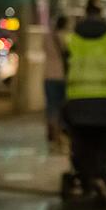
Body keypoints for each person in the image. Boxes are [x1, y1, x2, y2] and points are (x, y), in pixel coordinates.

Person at [63, 0, 106, 206]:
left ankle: (87, 176)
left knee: (80, 141)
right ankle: (102, 175)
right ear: (101, 13)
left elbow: (66, 66)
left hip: (78, 101)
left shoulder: (72, 38)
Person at [43, 15, 68, 151]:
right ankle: (59, 138)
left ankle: (52, 136)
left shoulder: (47, 37)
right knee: (61, 108)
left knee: (51, 107)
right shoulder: (65, 37)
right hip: (62, 77)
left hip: (48, 75)